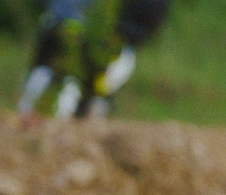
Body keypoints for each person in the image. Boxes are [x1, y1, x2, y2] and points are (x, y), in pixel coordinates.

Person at [18, 0, 171, 119]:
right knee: (68, 81)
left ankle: (36, 113)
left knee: (63, 78)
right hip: (82, 35)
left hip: (80, 33)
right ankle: (40, 114)